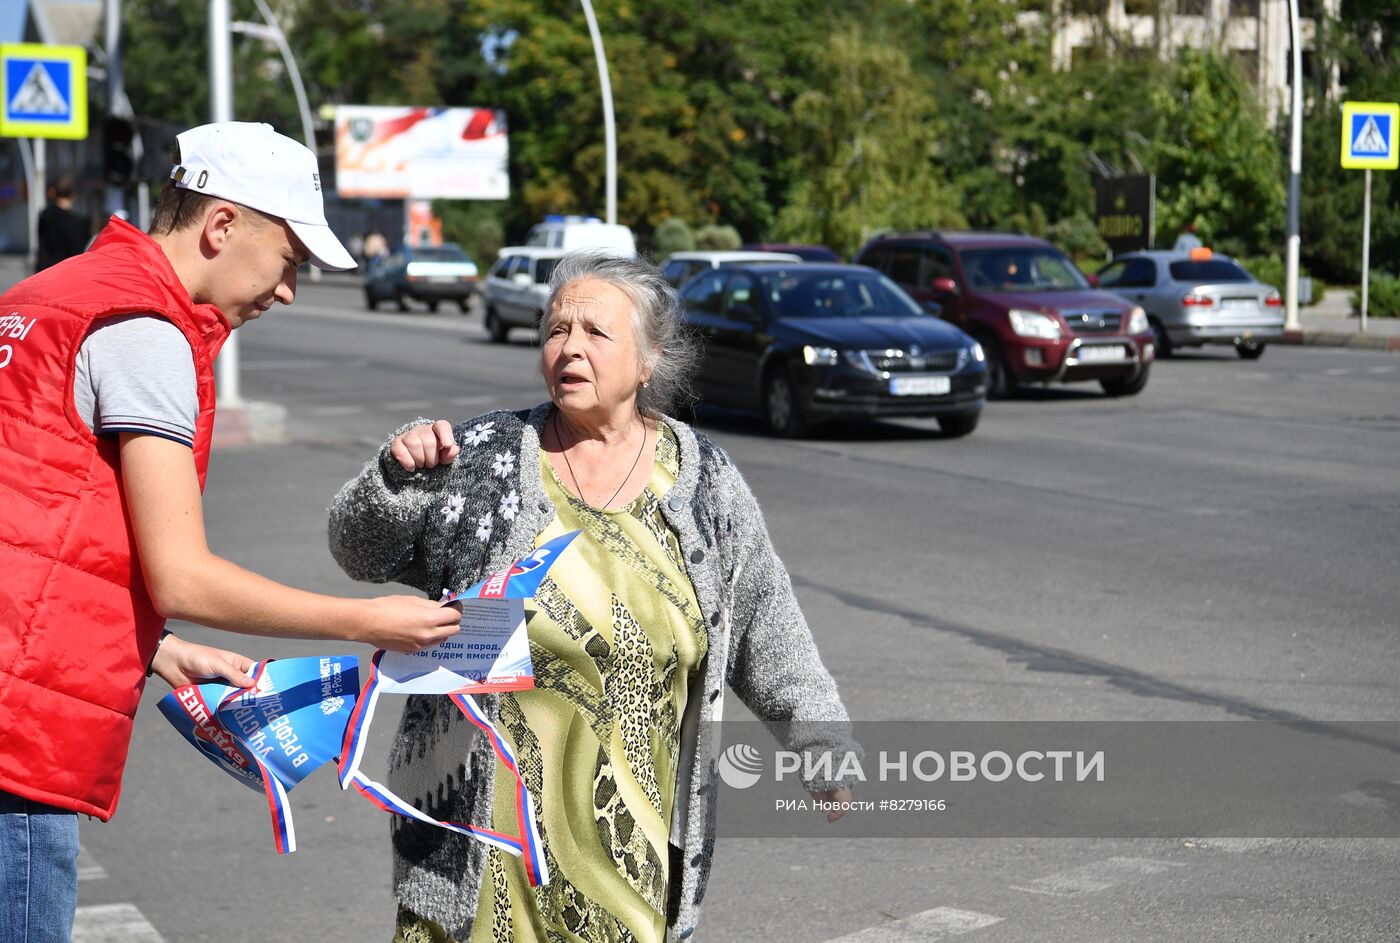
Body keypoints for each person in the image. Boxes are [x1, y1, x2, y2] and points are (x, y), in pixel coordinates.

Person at [0, 121, 462, 943]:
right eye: (289, 261)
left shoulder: (44, 297)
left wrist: (153, 649)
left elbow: (31, 524)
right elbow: (184, 575)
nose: (288, 289)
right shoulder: (145, 331)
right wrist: (371, 620)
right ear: (222, 226)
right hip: (16, 742)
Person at [328, 251, 858, 942]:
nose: (569, 347)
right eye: (555, 330)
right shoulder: (485, 455)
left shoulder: (706, 485)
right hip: (477, 850)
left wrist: (820, 743)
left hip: (628, 852)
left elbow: (768, 622)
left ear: (648, 362)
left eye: (595, 333)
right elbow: (356, 548)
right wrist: (395, 474)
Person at [34, 175, 89, 271]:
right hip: (64, 273)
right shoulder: (75, 223)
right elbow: (77, 254)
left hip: (44, 271)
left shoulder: (45, 215)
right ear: (73, 195)